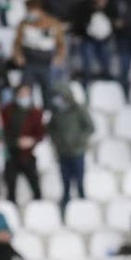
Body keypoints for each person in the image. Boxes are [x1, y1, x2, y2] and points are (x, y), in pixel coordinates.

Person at [46, 81, 95, 217]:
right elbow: (51, 129)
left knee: (79, 181)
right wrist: (57, 141)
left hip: (77, 151)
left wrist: (79, 140)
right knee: (65, 181)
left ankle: (83, 208)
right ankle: (66, 208)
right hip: (63, 152)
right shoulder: (56, 112)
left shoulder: (79, 110)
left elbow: (90, 127)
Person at [1, 84, 44, 203]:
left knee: (35, 186)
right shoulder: (8, 110)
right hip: (11, 154)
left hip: (28, 155)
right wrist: (15, 142)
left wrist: (32, 141)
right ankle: (11, 210)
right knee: (11, 188)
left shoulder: (35, 112)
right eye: (22, 93)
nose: (24, 96)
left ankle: (38, 209)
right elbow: (3, 132)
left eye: (27, 93)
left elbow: (41, 134)